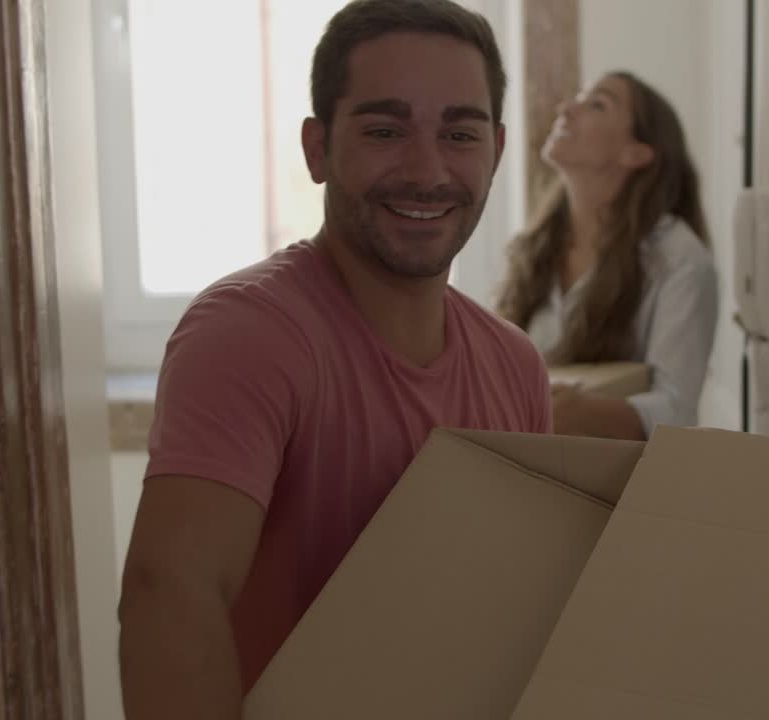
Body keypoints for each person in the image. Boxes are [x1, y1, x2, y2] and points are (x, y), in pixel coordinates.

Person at [117, 2, 551, 717]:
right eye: (385, 130)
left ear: (497, 151)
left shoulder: (515, 366)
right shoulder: (249, 335)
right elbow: (170, 596)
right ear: (318, 149)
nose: (427, 169)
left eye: (459, 133)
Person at [496, 71, 719, 440]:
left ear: (637, 153)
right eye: (578, 98)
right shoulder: (533, 246)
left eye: (597, 104)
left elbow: (677, 412)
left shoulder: (679, 259)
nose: (566, 108)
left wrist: (584, 412)